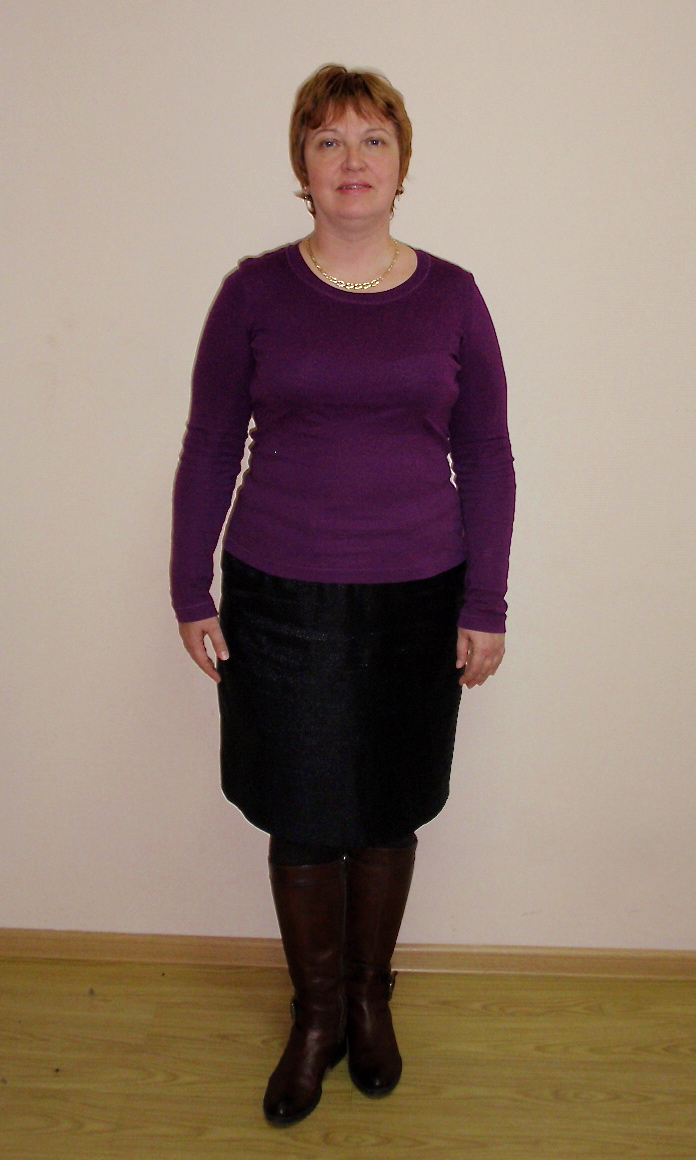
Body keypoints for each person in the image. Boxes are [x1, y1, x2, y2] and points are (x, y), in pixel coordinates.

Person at [171, 63, 515, 1127]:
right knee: (304, 812)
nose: (352, 160)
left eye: (373, 140)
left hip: (419, 595)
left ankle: (370, 999)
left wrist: (487, 601)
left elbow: (487, 455)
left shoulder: (453, 296)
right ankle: (315, 1015)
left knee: (388, 805)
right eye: (329, 141)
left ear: (402, 165)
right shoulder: (254, 292)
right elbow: (211, 441)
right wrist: (188, 583)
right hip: (280, 595)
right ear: (303, 165)